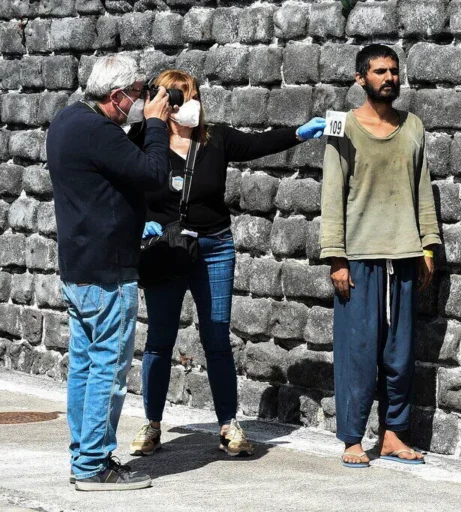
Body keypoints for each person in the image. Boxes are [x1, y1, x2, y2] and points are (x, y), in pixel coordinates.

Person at [128, 69, 326, 458]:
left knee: (217, 338)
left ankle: (228, 424)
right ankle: (152, 424)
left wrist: (300, 133)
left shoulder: (214, 138)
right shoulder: (144, 140)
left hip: (214, 247)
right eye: (177, 97)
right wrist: (138, 222)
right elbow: (117, 178)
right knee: (159, 340)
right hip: (165, 249)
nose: (186, 104)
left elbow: (257, 144)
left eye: (191, 95)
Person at [46, 54, 174, 491]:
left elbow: (116, 165)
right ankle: (94, 465)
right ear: (117, 96)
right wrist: (156, 125)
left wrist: (143, 122)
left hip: (79, 266)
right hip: (109, 272)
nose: (141, 101)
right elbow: (154, 174)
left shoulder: (67, 120)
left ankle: (83, 456)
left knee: (84, 366)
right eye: (137, 94)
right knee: (108, 369)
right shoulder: (99, 131)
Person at [320, 44, 441, 468]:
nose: (389, 78)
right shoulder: (342, 126)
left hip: (405, 254)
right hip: (358, 258)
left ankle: (393, 435)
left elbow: (423, 189)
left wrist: (428, 245)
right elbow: (332, 192)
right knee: (357, 354)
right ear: (360, 79)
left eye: (393, 71)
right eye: (379, 71)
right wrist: (336, 257)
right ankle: (352, 439)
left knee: (400, 354)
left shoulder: (413, 126)